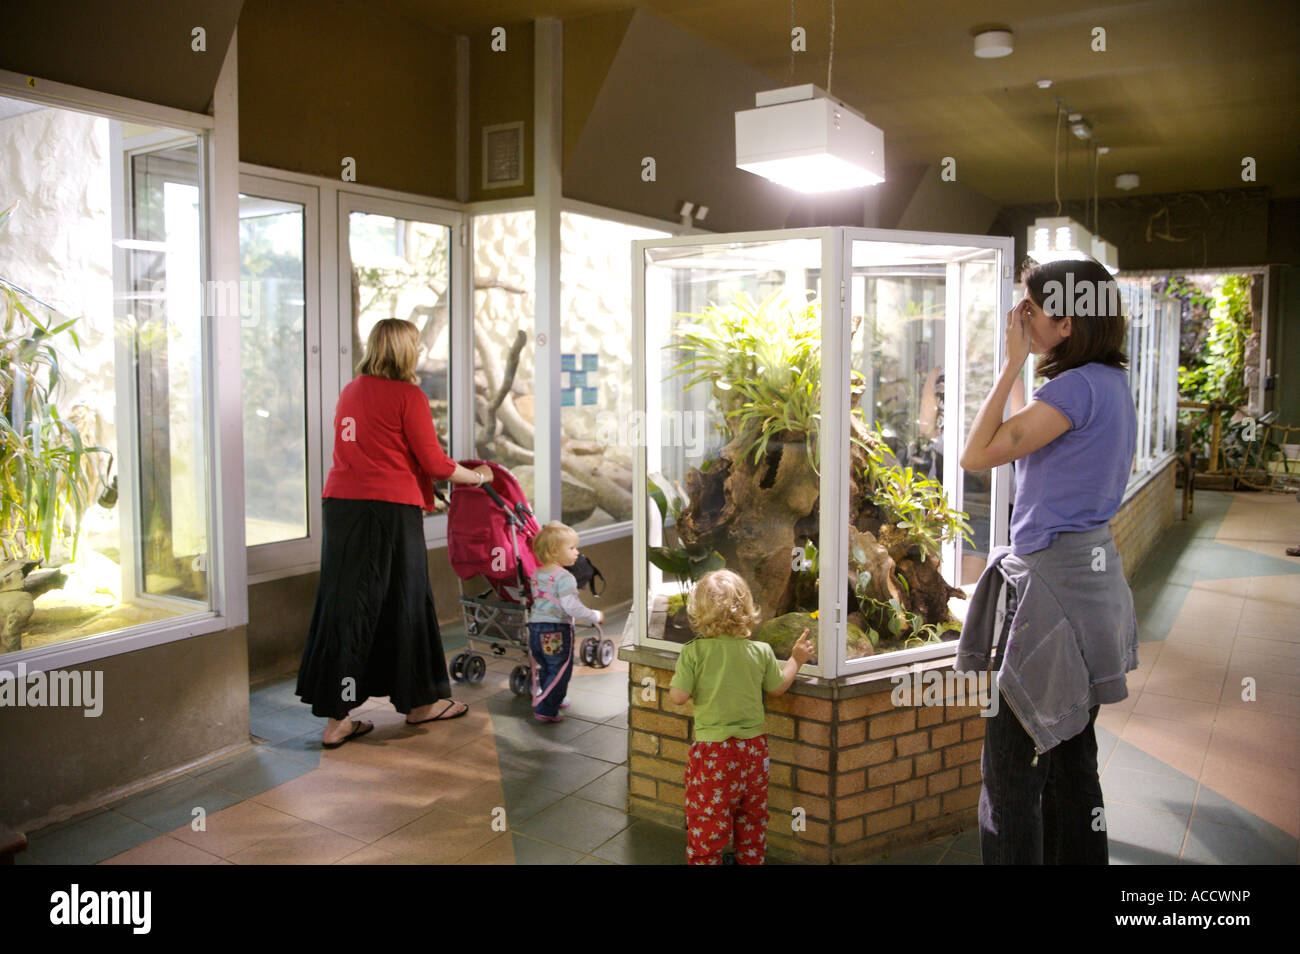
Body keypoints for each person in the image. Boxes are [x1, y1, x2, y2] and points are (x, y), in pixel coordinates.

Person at [956, 257, 1139, 864]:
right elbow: (1020, 433)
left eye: (1030, 308)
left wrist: (1010, 361)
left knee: (1010, 775)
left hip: (1052, 598)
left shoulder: (1073, 389)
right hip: (1091, 590)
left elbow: (976, 454)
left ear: (1067, 324)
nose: (1020, 317)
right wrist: (1022, 368)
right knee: (1070, 766)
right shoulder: (1107, 383)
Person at [297, 318, 495, 748]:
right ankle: (419, 703)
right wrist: (479, 477)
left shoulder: (351, 391)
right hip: (388, 511)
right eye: (416, 345)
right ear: (405, 351)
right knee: (406, 599)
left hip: (341, 508)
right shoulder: (408, 395)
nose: (420, 351)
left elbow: (371, 449)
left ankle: (337, 718)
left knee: (347, 605)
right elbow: (436, 463)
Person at [667, 570, 815, 865]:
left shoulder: (693, 653)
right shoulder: (760, 651)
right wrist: (796, 660)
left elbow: (678, 696)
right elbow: (777, 688)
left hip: (713, 755)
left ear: (699, 611)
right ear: (746, 609)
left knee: (708, 821)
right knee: (752, 817)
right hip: (754, 753)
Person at [528, 522, 604, 723]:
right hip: (556, 629)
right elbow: (572, 607)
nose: (577, 552)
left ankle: (555, 697)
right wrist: (595, 616)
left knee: (547, 666)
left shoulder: (536, 574)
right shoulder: (565, 577)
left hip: (535, 628)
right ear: (554, 551)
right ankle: (547, 709)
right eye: (571, 548)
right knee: (561, 669)